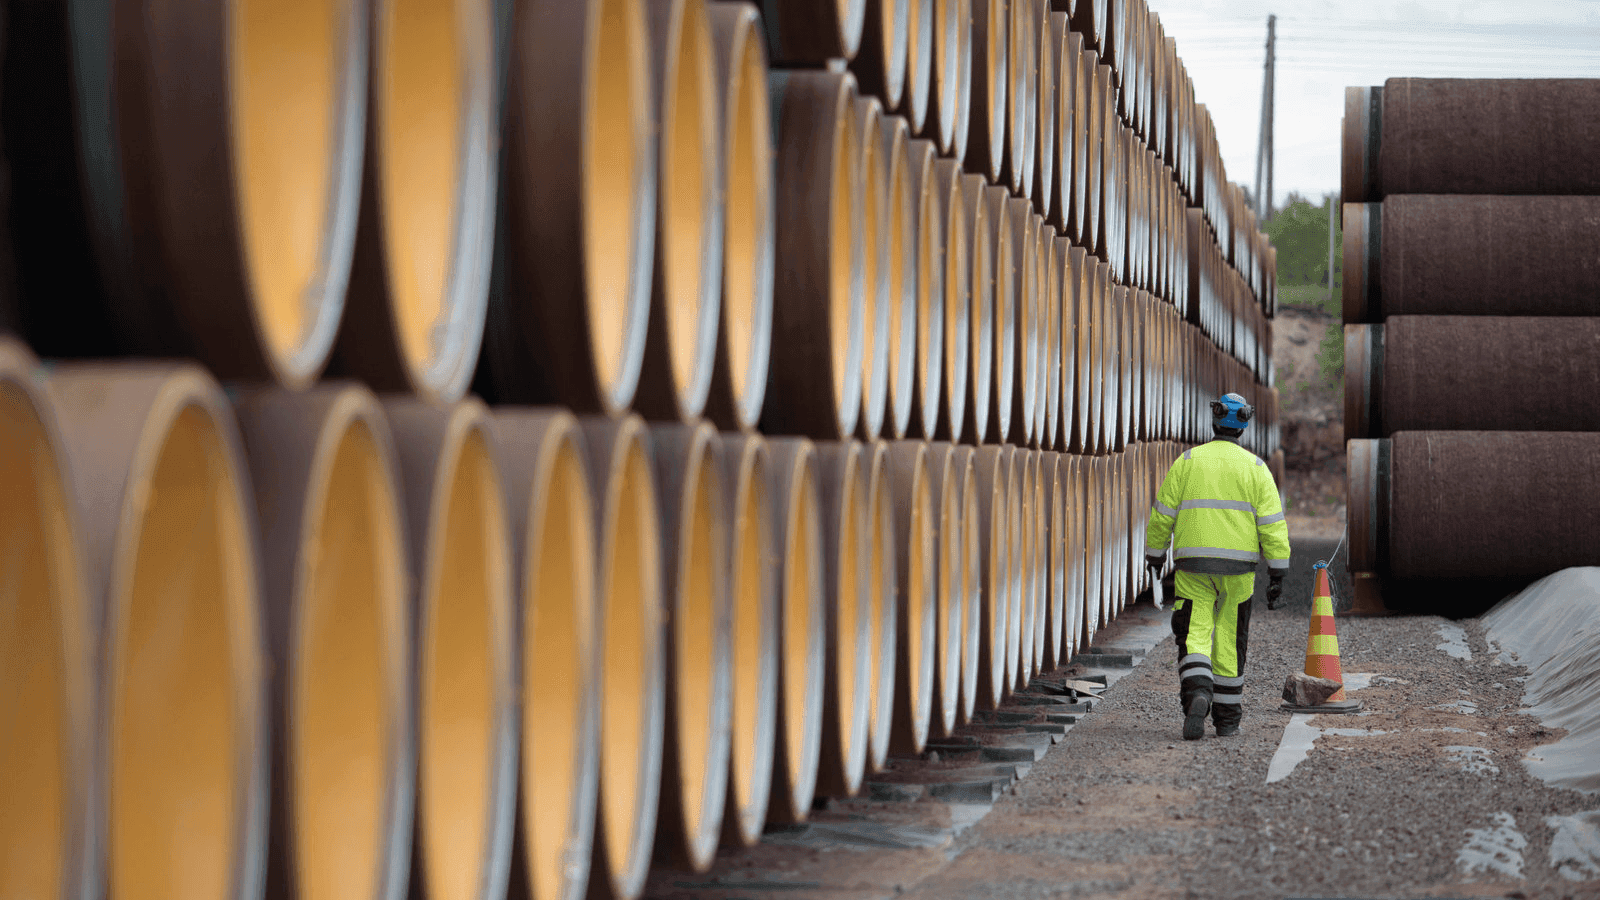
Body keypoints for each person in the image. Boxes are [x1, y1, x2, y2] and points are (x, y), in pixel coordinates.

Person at [1145, 392, 1290, 740]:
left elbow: (1163, 513)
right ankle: (1227, 721)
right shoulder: (1256, 469)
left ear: (1215, 420)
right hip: (1239, 571)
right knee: (1229, 639)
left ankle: (1197, 692)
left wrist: (1155, 554)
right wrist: (1278, 571)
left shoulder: (1188, 461)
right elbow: (1272, 524)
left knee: (1194, 631)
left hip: (1193, 564)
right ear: (1244, 426)